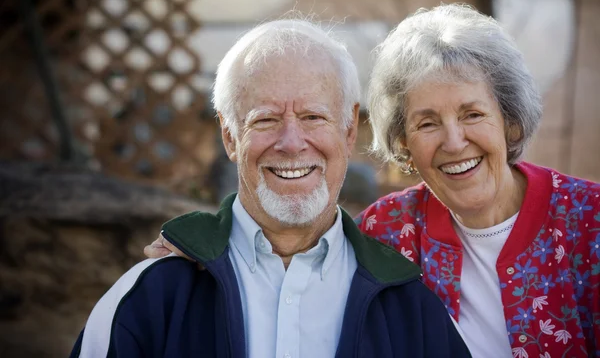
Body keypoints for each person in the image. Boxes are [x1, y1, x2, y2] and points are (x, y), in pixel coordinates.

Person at [146, 5, 600, 358]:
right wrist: (203, 248)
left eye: (473, 114)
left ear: (511, 121)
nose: (454, 141)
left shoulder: (589, 223)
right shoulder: (391, 227)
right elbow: (295, 243)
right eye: (426, 124)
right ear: (403, 142)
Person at [70, 19, 470, 358]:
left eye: (313, 117)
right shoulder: (152, 297)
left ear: (349, 130)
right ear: (229, 137)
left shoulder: (412, 312)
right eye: (265, 120)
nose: (292, 142)